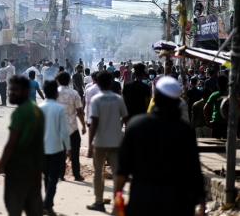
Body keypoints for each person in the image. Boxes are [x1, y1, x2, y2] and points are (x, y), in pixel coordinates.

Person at [115, 76, 206, 216]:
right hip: (177, 202)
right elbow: (194, 170)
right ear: (177, 103)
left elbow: (122, 169)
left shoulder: (135, 125)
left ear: (155, 99)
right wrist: (201, 206)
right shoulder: (184, 130)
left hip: (142, 200)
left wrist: (117, 202)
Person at [0, 76, 45, 216]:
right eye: (10, 89)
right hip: (35, 168)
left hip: (18, 169)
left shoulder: (19, 113)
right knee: (34, 209)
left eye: (15, 90)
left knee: (14, 208)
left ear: (26, 91)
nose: (11, 93)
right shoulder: (37, 110)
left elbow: (10, 145)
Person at [87, 71, 128, 212]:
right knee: (117, 172)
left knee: (98, 172)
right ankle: (117, 203)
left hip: (100, 142)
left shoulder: (96, 100)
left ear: (97, 84)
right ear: (111, 83)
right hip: (116, 141)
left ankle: (99, 202)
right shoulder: (118, 99)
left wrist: (90, 145)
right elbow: (125, 118)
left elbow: (94, 122)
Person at [38, 80, 71, 216]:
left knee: (46, 176)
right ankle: (47, 203)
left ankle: (47, 203)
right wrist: (68, 148)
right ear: (56, 93)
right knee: (53, 177)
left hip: (42, 148)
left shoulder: (39, 108)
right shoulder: (59, 108)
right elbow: (64, 130)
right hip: (56, 147)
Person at [57, 71, 86, 181]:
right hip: (72, 127)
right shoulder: (74, 93)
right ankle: (76, 175)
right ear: (69, 80)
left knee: (60, 152)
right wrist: (83, 125)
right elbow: (79, 111)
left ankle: (61, 174)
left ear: (58, 81)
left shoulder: (54, 93)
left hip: (59, 127)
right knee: (75, 152)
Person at [84, 71, 100, 157]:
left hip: (90, 114)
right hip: (92, 114)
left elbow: (86, 101)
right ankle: (91, 151)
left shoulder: (89, 88)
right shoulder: (88, 86)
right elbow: (85, 100)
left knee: (92, 133)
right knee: (92, 134)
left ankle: (91, 151)